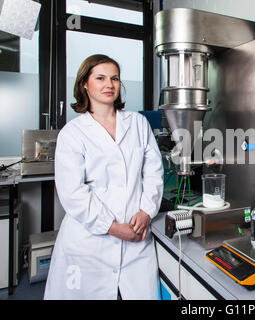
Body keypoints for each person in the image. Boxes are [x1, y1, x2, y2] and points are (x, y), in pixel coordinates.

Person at [44, 54, 164, 300]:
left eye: (115, 78)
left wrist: (146, 211)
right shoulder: (73, 133)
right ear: (84, 85)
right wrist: (111, 227)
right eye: (100, 78)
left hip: (136, 237)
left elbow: (154, 172)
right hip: (89, 242)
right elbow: (72, 193)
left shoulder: (138, 123)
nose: (109, 85)